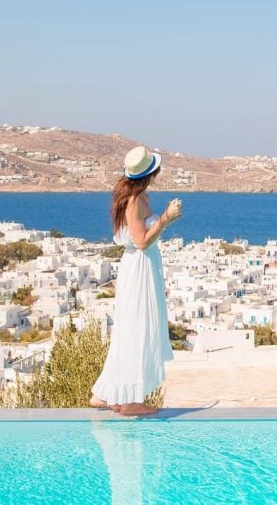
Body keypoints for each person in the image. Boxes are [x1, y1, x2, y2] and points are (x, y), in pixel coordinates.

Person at [90, 145, 182, 416]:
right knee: (138, 329)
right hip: (139, 266)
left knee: (133, 328)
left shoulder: (136, 196)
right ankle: (130, 401)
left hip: (142, 266)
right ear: (151, 173)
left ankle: (105, 393)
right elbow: (142, 241)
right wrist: (166, 219)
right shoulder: (134, 201)